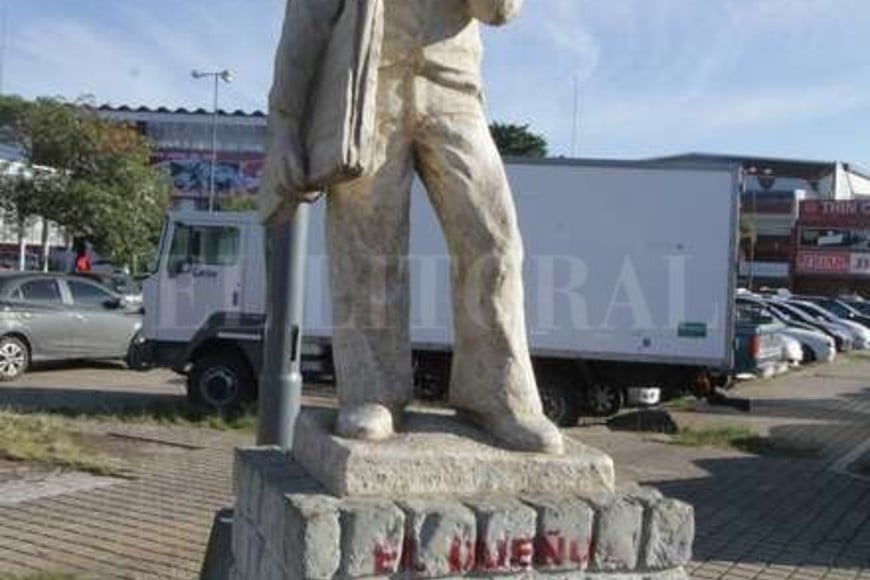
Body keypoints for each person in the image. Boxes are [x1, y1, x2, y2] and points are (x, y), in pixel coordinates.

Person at [265, 0, 563, 454]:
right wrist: (285, 121)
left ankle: (497, 393)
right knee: (366, 248)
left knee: (493, 241)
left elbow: (500, 12)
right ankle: (372, 392)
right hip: (367, 88)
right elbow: (307, 15)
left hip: (454, 90)